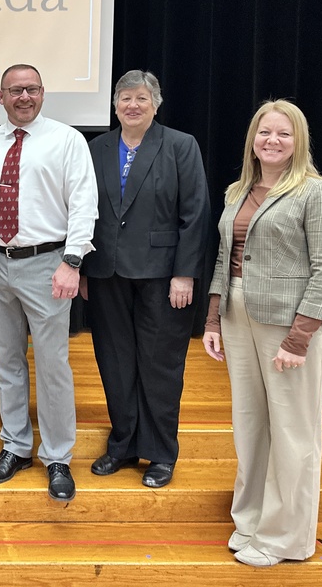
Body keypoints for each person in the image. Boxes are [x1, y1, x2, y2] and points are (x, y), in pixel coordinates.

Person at [202, 99, 322, 567]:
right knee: (250, 426)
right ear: (253, 139)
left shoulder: (319, 193)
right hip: (237, 316)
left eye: (284, 134)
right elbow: (226, 258)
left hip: (288, 324)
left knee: (292, 431)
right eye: (265, 132)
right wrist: (212, 318)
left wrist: (299, 337)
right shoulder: (237, 191)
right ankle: (251, 521)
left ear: (298, 141)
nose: (272, 141)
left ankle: (286, 539)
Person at [0, 64, 98, 502]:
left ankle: (58, 455)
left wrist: (73, 261)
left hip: (48, 264)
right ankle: (16, 446)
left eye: (31, 89)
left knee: (53, 364)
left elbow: (84, 203)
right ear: (0, 97)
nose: (24, 97)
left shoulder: (67, 140)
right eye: (14, 90)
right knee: (5, 362)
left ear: (43, 93)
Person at [81, 70, 210, 488]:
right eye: (124, 98)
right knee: (115, 363)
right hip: (106, 272)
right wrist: (82, 266)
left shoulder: (179, 145)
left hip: (162, 276)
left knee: (159, 366)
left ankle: (159, 453)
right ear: (114, 105)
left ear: (156, 103)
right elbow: (82, 208)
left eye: (140, 98)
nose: (131, 105)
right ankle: (122, 443)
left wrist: (185, 274)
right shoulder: (96, 147)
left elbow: (195, 214)